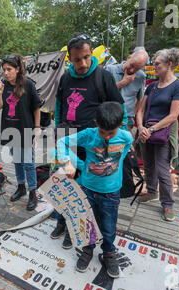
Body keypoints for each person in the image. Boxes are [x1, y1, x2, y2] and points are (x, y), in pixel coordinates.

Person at [51, 33, 125, 247]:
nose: (83, 63)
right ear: (70, 59)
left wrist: (118, 140)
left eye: (86, 57)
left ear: (91, 53)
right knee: (65, 184)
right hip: (68, 142)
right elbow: (59, 106)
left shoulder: (104, 77)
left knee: (86, 189)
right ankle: (62, 221)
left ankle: (78, 226)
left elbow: (119, 110)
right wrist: (58, 131)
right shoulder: (65, 78)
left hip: (95, 144)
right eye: (77, 59)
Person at [57, 102, 133, 275]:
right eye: (102, 132)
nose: (106, 137)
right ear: (96, 122)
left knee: (108, 226)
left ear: (120, 124)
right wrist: (69, 162)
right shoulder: (89, 135)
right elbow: (62, 142)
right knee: (87, 222)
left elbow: (120, 159)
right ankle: (87, 250)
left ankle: (108, 253)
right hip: (88, 189)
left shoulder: (126, 138)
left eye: (111, 133)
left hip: (111, 192)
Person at [135, 48, 179, 222]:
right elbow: (140, 109)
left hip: (163, 132)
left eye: (157, 63)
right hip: (147, 131)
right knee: (148, 164)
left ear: (169, 64)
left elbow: (173, 116)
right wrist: (141, 127)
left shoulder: (178, 86)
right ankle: (151, 192)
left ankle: (168, 204)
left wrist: (151, 130)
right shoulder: (152, 86)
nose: (153, 66)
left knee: (163, 169)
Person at [0, 54, 42, 211]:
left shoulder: (28, 84)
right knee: (17, 161)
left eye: (9, 69)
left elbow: (36, 107)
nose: (6, 73)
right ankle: (21, 187)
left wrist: (37, 127)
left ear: (18, 69)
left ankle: (33, 192)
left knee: (28, 162)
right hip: (10, 128)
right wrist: (0, 92)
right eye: (4, 70)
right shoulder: (4, 85)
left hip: (26, 128)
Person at [105, 49, 148, 132]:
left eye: (137, 69)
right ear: (129, 58)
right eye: (132, 65)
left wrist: (132, 115)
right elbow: (102, 92)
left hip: (127, 121)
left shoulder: (141, 76)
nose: (132, 70)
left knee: (124, 144)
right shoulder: (110, 70)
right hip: (108, 118)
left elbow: (140, 100)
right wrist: (122, 83)